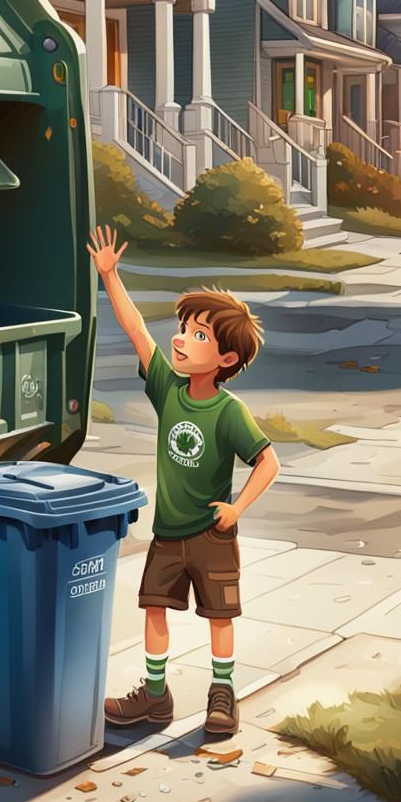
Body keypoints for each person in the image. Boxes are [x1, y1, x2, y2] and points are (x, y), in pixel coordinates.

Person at [86, 225, 280, 736]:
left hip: (211, 534)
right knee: (154, 608)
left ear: (226, 359)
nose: (180, 339)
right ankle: (155, 696)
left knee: (219, 616)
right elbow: (136, 330)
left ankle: (222, 694)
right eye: (184, 328)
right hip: (168, 533)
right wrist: (110, 276)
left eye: (199, 336)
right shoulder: (168, 389)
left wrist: (236, 509)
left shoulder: (229, 411)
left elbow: (268, 462)